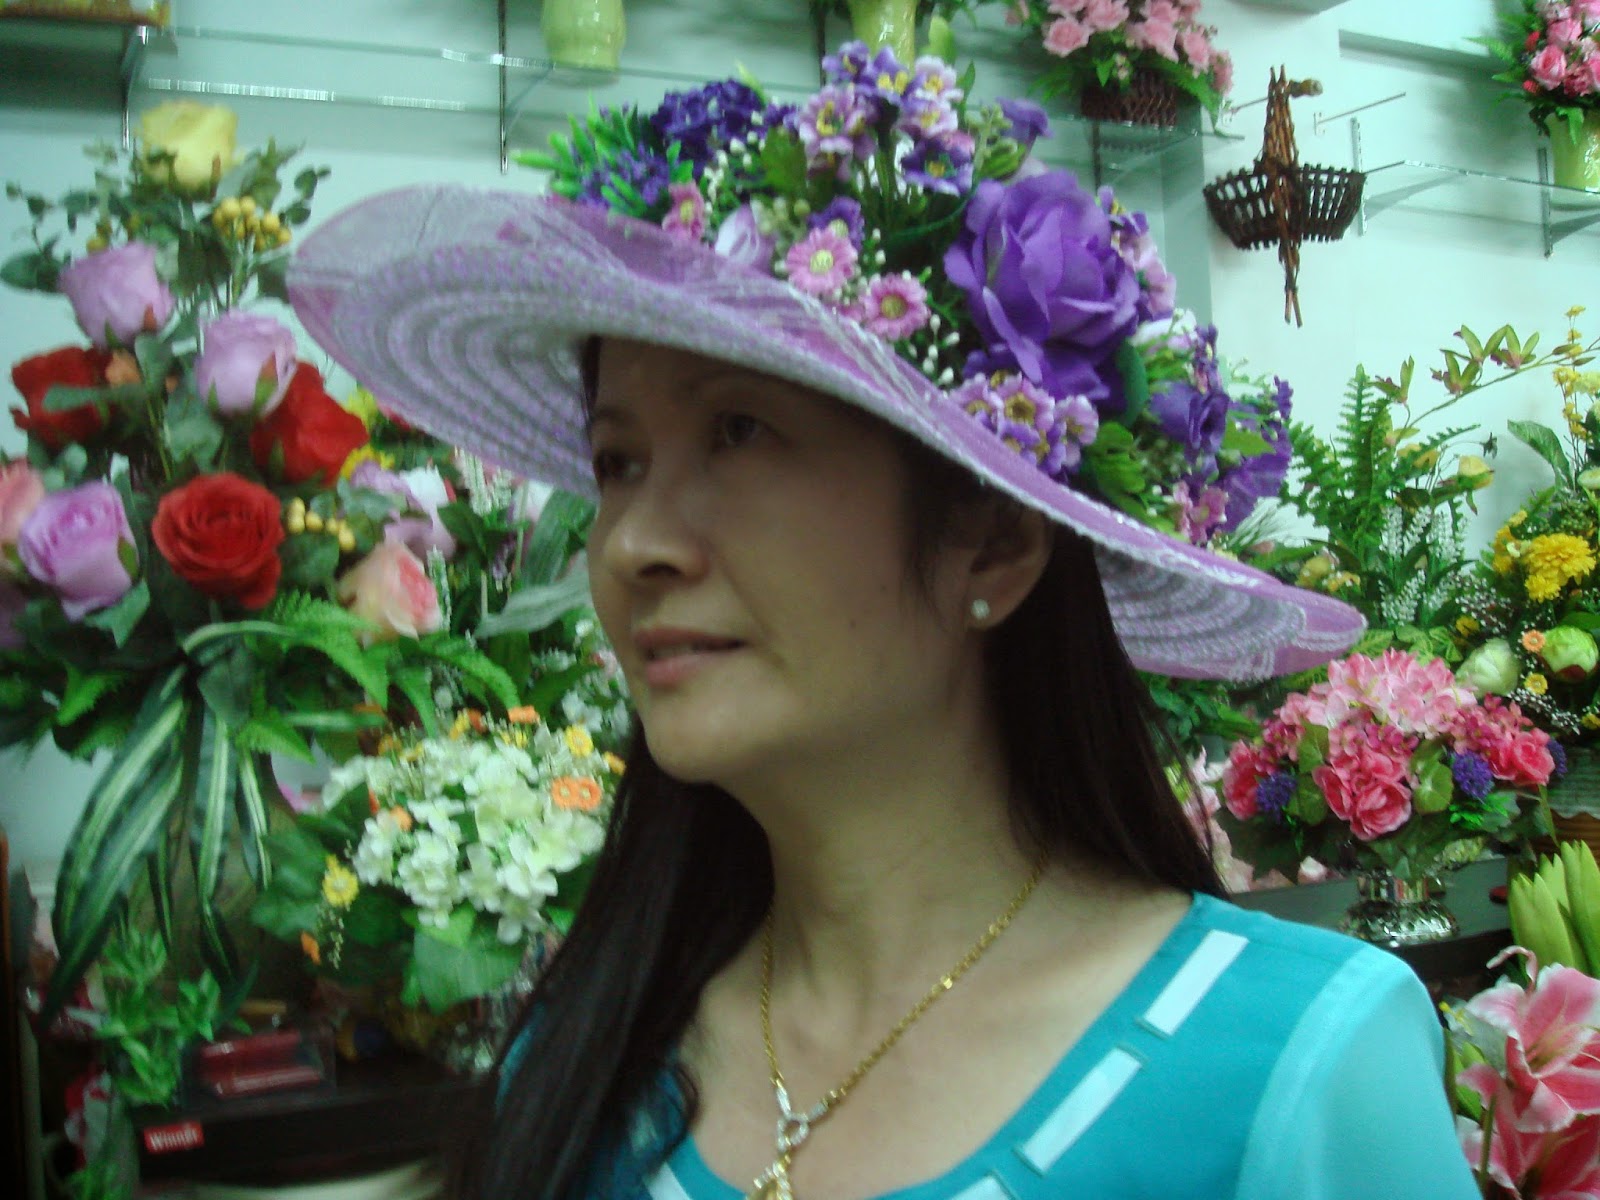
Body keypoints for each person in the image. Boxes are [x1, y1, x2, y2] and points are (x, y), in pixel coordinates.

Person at [288, 43, 1480, 1200]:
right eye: (617, 461)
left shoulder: (1287, 1072)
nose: (635, 542)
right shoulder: (585, 1069)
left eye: (739, 432)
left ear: (993, 543)